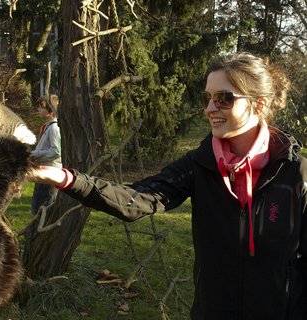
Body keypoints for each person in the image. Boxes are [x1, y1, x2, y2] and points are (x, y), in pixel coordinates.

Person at [28, 52, 307, 319]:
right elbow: (137, 199)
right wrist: (66, 178)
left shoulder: (297, 174)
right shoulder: (199, 165)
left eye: (224, 98)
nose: (210, 108)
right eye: (207, 98)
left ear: (260, 104)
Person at [31, 94, 62, 215]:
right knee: (37, 206)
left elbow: (56, 151)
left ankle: (43, 231)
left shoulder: (54, 128)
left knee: (45, 207)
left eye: (41, 107)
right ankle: (35, 231)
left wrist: (35, 154)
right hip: (43, 172)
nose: (38, 109)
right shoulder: (46, 127)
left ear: (51, 110)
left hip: (51, 174)